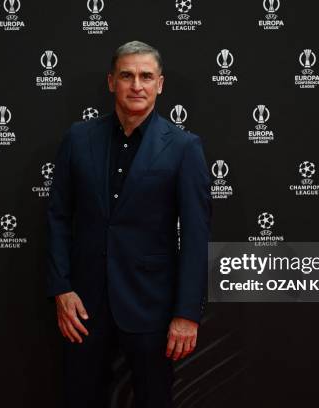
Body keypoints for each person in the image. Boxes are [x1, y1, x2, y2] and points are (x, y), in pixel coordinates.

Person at [46, 40, 212, 408]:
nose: (136, 85)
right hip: (83, 307)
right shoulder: (78, 138)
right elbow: (58, 215)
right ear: (111, 82)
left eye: (146, 76)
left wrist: (186, 314)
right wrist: (62, 288)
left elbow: (197, 237)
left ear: (160, 84)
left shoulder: (185, 148)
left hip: (151, 305)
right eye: (127, 75)